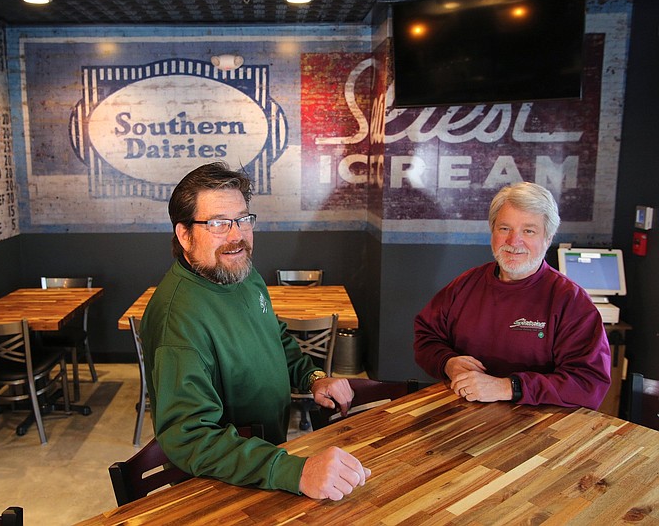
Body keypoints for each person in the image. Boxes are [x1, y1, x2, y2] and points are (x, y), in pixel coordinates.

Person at [139, 161, 370, 501]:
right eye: (217, 223)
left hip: (264, 460)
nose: (236, 236)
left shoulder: (242, 274)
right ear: (184, 235)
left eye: (243, 220)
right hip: (224, 482)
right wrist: (294, 470)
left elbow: (273, 336)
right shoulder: (178, 319)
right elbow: (189, 436)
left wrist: (314, 376)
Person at [413, 182, 611, 409]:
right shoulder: (465, 285)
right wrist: (447, 363)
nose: (513, 242)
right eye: (505, 228)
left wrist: (508, 387)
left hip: (541, 430)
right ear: (492, 231)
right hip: (462, 419)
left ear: (548, 237)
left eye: (528, 231)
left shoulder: (571, 301)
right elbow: (426, 336)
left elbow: (588, 383)